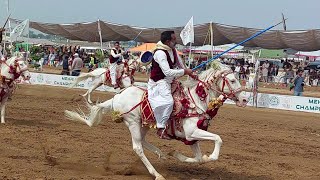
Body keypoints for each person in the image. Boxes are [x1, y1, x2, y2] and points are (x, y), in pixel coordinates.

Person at [147, 31, 193, 140]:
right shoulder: (160, 53)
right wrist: (184, 72)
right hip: (159, 81)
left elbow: (180, 64)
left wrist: (190, 73)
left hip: (170, 80)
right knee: (169, 102)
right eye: (174, 39)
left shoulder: (172, 49)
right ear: (168, 41)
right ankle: (161, 128)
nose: (176, 41)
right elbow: (167, 72)